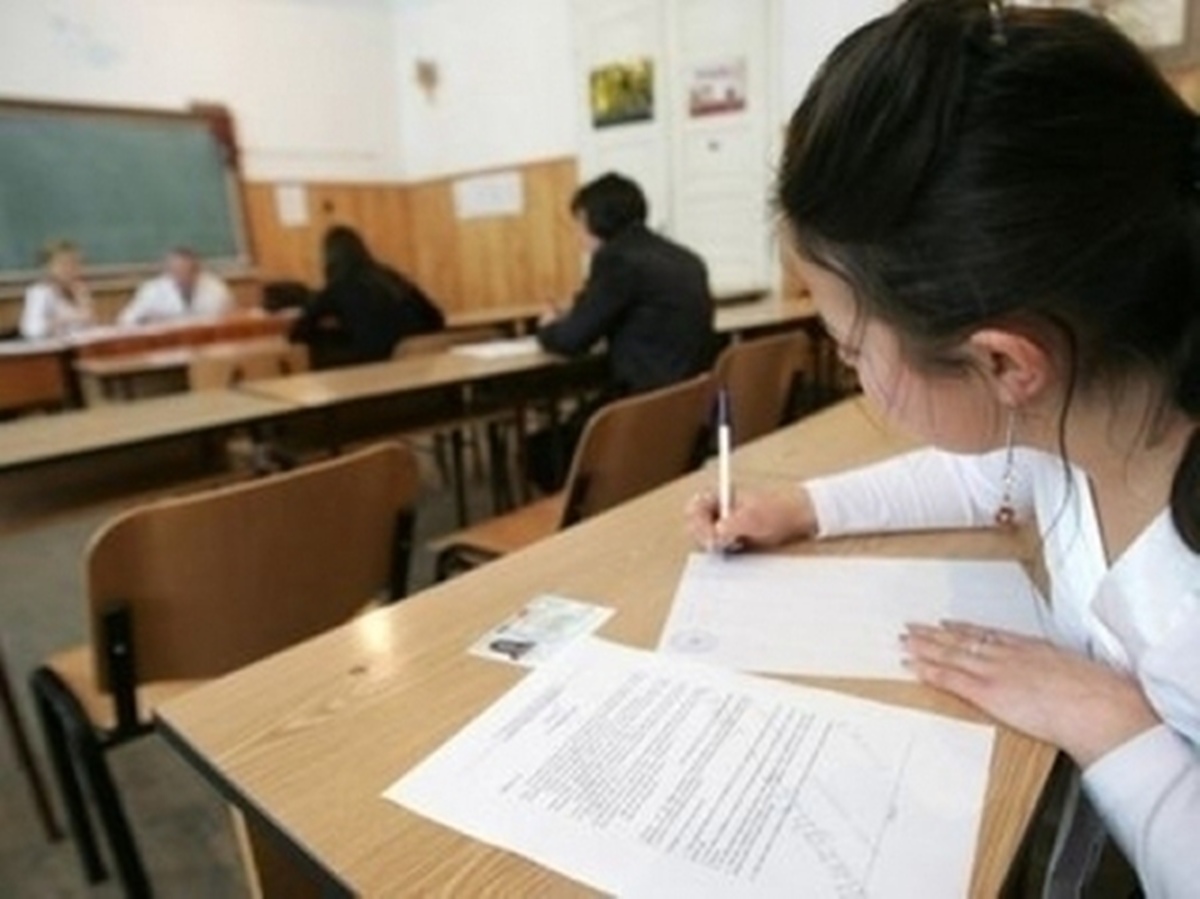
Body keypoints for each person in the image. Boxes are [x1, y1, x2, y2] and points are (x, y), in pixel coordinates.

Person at [685, 2, 1199, 895]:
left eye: (851, 348)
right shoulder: (1099, 407)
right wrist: (804, 505)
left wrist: (1111, 723)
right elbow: (985, 477)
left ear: (1003, 362)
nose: (852, 373)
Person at [530, 172, 715, 489]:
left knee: (541, 449)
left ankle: (589, 515)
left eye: (578, 223)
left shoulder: (615, 258)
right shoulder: (686, 258)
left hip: (641, 409)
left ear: (595, 220)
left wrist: (546, 327)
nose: (577, 236)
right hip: (689, 407)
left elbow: (571, 341)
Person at [289, 225, 444, 368]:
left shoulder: (338, 286)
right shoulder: (390, 276)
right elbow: (436, 318)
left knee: (320, 344)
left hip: (376, 365)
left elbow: (297, 333)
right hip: (418, 363)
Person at [118, 247, 234, 326]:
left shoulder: (216, 288)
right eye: (177, 271)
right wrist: (148, 323)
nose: (182, 276)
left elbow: (232, 319)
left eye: (188, 270)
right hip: (164, 346)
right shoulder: (152, 290)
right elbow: (126, 321)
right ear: (168, 271)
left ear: (198, 270)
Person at [19, 240, 95, 340]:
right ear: (49, 267)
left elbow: (88, 327)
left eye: (75, 264)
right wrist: (63, 320)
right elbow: (31, 330)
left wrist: (85, 304)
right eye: (64, 264)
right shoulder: (40, 292)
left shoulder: (78, 290)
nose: (70, 269)